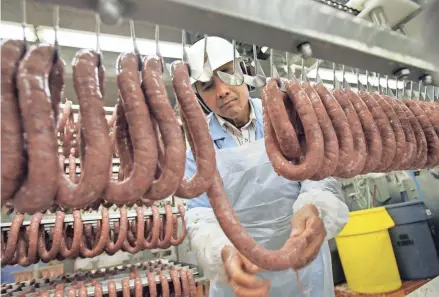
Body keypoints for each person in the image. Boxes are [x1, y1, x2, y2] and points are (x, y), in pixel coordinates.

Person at [183, 36, 349, 297]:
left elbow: (318, 173)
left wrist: (315, 206)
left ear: (244, 70)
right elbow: (198, 213)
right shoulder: (196, 144)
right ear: (197, 95)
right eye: (206, 85)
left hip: (303, 258)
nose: (222, 90)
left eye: (227, 73)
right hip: (242, 272)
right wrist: (220, 250)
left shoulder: (282, 115)